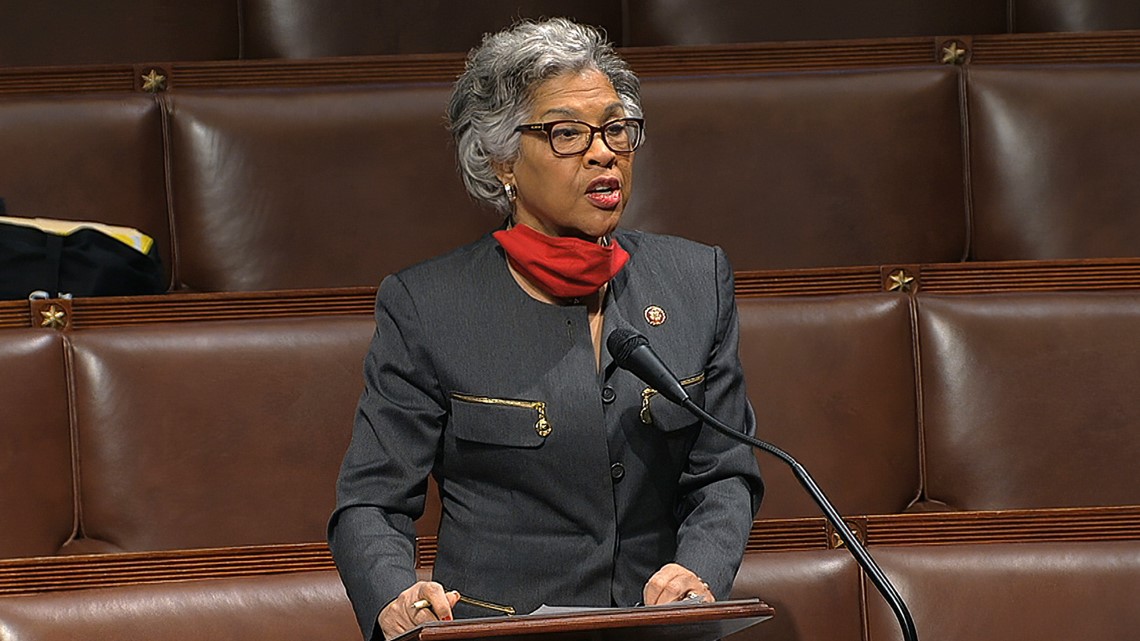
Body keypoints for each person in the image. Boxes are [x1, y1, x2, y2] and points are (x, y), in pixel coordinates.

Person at [328, 17, 763, 641]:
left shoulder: (697, 281)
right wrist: (397, 597)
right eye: (567, 134)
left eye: (617, 129)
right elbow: (371, 502)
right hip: (499, 634)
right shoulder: (428, 305)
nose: (603, 151)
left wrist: (697, 574)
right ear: (503, 158)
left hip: (661, 631)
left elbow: (725, 472)